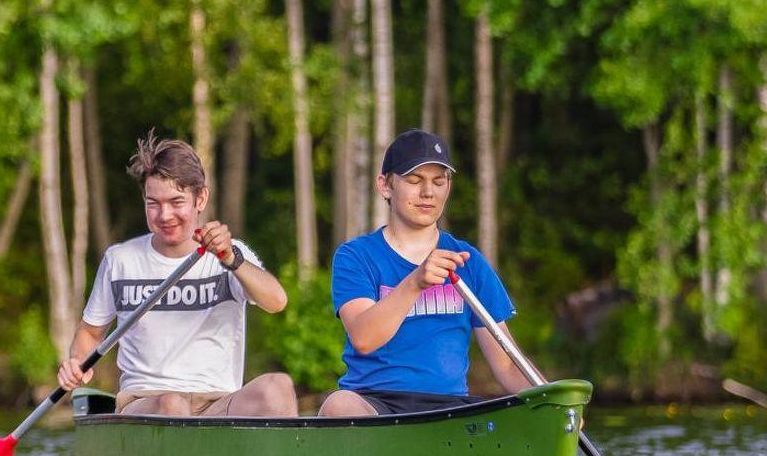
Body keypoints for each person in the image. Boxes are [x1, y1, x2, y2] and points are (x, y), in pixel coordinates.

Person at [56, 133, 298, 417]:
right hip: (145, 401)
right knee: (173, 403)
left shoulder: (231, 254)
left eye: (176, 201)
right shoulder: (120, 260)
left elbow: (276, 301)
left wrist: (231, 259)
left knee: (278, 387)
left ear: (201, 198)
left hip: (217, 404)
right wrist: (77, 362)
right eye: (153, 203)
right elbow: (90, 332)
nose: (165, 214)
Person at [319, 129, 533, 417]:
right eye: (414, 180)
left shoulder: (468, 261)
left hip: (448, 411)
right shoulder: (356, 256)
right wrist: (415, 283)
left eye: (438, 181)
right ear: (385, 186)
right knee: (339, 405)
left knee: (512, 414)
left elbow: (507, 365)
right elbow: (364, 338)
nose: (428, 192)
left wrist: (556, 401)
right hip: (375, 404)